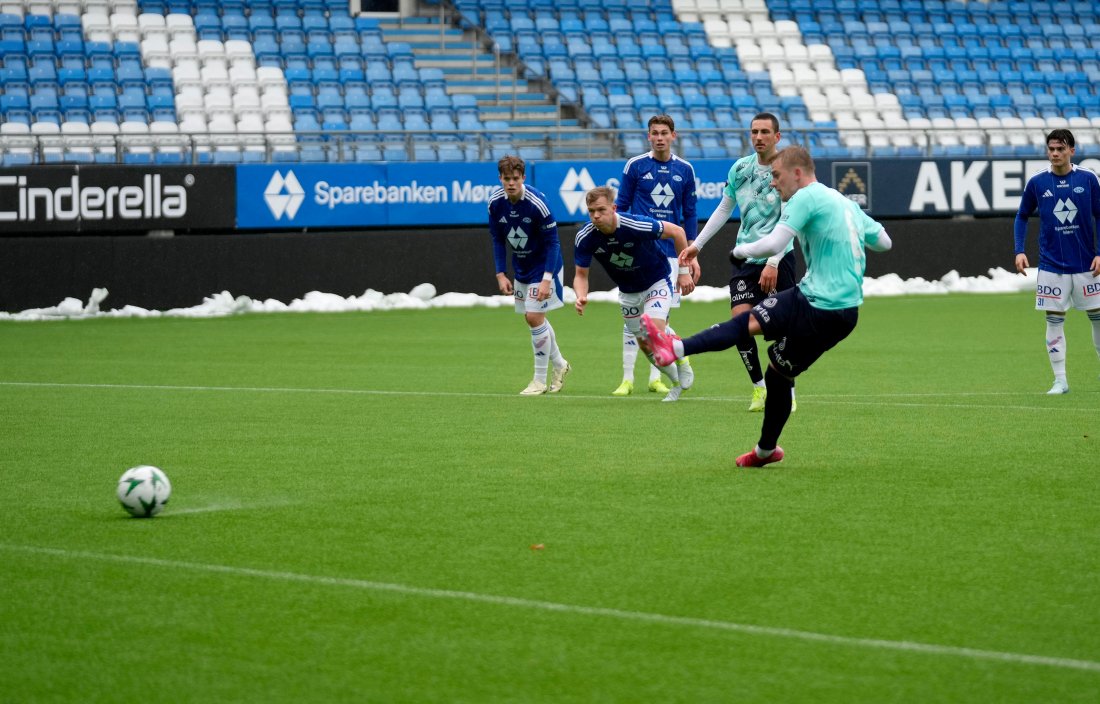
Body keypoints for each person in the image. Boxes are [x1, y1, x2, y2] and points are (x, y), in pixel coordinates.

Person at [645, 145, 892, 465]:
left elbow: (776, 243)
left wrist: (740, 253)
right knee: (774, 367)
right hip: (842, 312)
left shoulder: (805, 196)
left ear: (797, 173)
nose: (773, 183)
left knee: (749, 327)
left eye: (777, 176)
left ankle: (675, 350)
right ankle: (764, 451)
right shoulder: (845, 204)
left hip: (818, 304)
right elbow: (884, 242)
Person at [680, 113, 799, 412]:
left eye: (764, 132)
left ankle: (787, 390)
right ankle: (759, 388)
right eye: (754, 132)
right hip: (745, 256)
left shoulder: (785, 169)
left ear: (777, 136)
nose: (758, 137)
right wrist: (697, 245)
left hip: (779, 257)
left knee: (784, 330)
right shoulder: (741, 168)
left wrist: (773, 261)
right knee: (740, 324)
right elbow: (723, 209)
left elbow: (791, 216)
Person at [574, 186, 696, 401]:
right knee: (645, 344)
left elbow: (678, 232)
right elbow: (581, 275)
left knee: (654, 331)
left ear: (614, 208)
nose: (596, 215)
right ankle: (676, 382)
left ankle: (682, 358)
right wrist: (581, 295)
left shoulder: (634, 224)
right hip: (628, 292)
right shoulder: (585, 237)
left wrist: (684, 273)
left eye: (601, 210)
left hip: (656, 281)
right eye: (591, 211)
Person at [611, 114, 700, 397]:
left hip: (671, 256)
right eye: (654, 133)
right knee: (632, 316)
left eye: (664, 133)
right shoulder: (635, 166)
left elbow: (690, 213)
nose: (659, 137)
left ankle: (655, 377)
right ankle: (627, 379)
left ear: (673, 136)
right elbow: (621, 208)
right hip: (639, 252)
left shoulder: (685, 170)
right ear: (648, 136)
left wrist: (690, 254)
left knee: (659, 318)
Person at [1013, 128, 1100, 394]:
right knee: (1054, 320)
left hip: (1087, 265)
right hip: (1052, 266)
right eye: (1051, 149)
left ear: (1072, 151)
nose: (1055, 153)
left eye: (1060, 149)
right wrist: (1019, 250)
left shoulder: (1088, 179)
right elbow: (1022, 215)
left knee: (1097, 319)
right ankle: (1060, 380)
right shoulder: (1037, 182)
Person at [487, 155, 570, 396]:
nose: (511, 183)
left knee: (534, 317)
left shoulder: (537, 203)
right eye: (506, 178)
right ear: (500, 178)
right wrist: (500, 273)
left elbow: (554, 243)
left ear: (523, 177)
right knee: (534, 319)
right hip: (521, 266)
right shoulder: (494, 203)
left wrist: (546, 278)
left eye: (515, 178)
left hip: (545, 265)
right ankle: (560, 364)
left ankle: (538, 381)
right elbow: (497, 239)